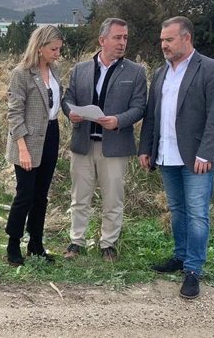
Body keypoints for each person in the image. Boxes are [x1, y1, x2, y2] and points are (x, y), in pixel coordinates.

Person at [138, 16, 214, 299]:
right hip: (166, 155)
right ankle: (180, 257)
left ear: (186, 38)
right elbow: (153, 114)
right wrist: (146, 148)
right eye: (162, 40)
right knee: (177, 210)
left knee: (197, 213)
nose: (163, 45)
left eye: (169, 39)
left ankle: (193, 270)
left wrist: (207, 152)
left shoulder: (211, 69)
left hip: (197, 157)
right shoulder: (160, 72)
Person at [61, 18, 147, 262]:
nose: (122, 43)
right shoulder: (81, 69)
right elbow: (68, 98)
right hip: (83, 144)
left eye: (125, 38)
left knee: (113, 199)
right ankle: (76, 241)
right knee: (79, 198)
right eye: (117, 37)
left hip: (115, 145)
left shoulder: (136, 71)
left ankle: (108, 243)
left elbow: (140, 107)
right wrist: (71, 113)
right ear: (102, 40)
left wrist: (118, 120)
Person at [4, 25, 64, 266]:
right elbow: (14, 113)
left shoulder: (56, 70)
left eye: (59, 48)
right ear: (39, 48)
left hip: (51, 134)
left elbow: (56, 102)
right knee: (25, 195)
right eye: (53, 49)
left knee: (42, 195)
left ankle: (36, 244)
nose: (58, 53)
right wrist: (22, 148)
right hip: (26, 139)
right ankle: (13, 244)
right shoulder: (21, 73)